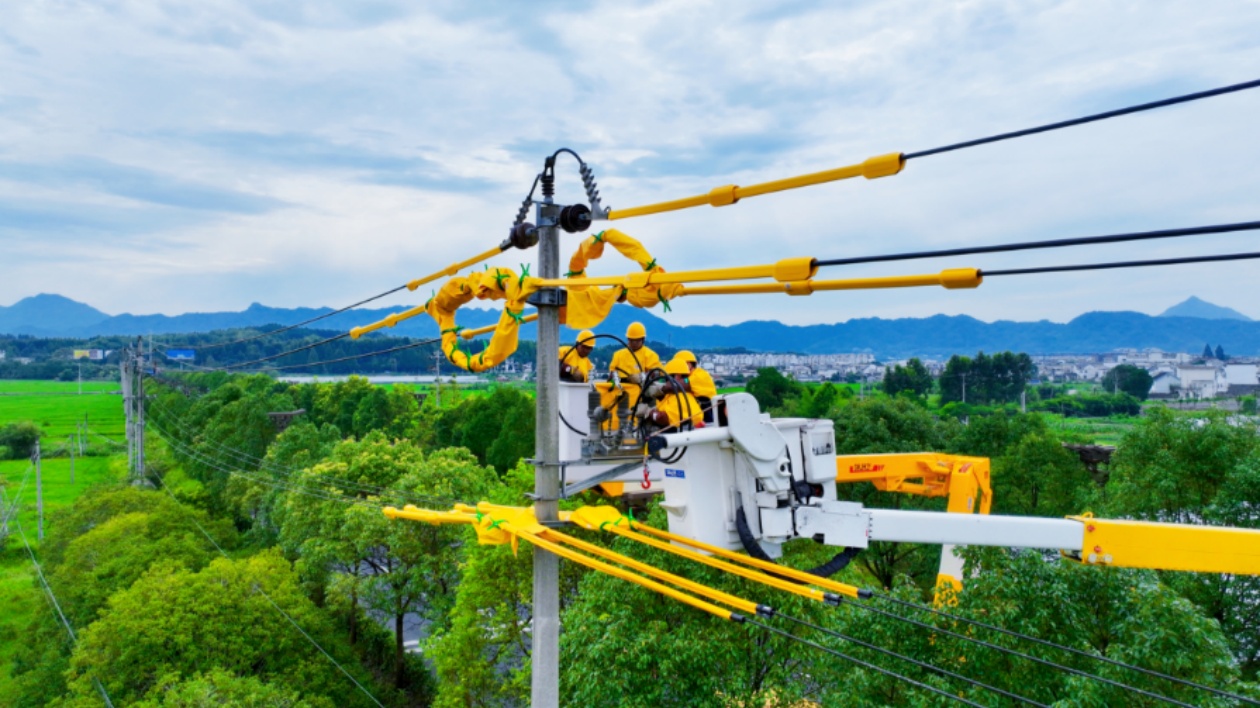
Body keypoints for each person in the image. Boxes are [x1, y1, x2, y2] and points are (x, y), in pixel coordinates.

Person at [608, 321, 661, 414]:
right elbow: (611, 375)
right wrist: (614, 380)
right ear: (628, 339)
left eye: (637, 340)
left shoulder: (650, 355)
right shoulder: (618, 355)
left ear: (643, 340)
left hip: (641, 398)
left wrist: (641, 377)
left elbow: (656, 374)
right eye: (631, 340)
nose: (634, 343)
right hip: (620, 397)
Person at [648, 358, 703, 429]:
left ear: (678, 376)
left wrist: (648, 412)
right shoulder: (672, 395)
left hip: (679, 435)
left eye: (668, 377)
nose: (665, 381)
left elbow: (662, 418)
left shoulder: (680, 397)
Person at [672, 350, 717, 423]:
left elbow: (684, 383)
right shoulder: (689, 376)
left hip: (707, 412)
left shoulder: (699, 375)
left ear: (689, 364)